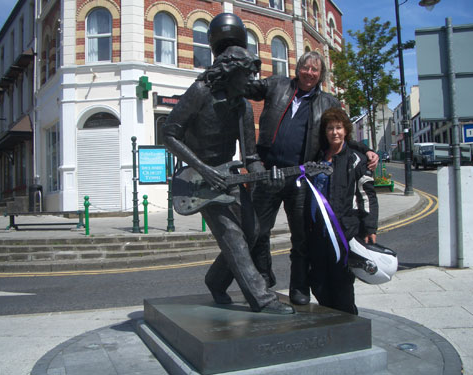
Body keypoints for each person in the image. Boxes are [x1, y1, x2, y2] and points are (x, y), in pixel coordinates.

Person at [162, 44, 294, 315]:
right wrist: (201, 167)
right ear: (230, 73)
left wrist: (267, 176)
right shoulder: (200, 93)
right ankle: (262, 298)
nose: (251, 81)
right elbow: (169, 134)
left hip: (228, 178)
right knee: (233, 236)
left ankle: (216, 280)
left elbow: (250, 157)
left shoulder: (244, 108)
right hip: (198, 180)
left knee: (253, 231)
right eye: (247, 75)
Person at [245, 51, 379, 305]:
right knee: (257, 231)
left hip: (300, 177)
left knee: (301, 236)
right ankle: (264, 274)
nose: (309, 73)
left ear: (320, 75)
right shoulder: (278, 85)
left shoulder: (327, 102)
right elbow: (249, 88)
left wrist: (366, 150)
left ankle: (299, 286)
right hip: (268, 173)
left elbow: (343, 132)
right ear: (298, 68)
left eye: (315, 70)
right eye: (305, 68)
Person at [306, 107, 378, 314]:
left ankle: (348, 323)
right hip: (318, 231)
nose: (334, 132)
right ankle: (329, 321)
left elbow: (367, 195)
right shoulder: (318, 156)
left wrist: (370, 226)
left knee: (342, 283)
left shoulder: (356, 159)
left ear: (346, 130)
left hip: (343, 231)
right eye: (330, 128)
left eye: (338, 128)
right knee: (318, 281)